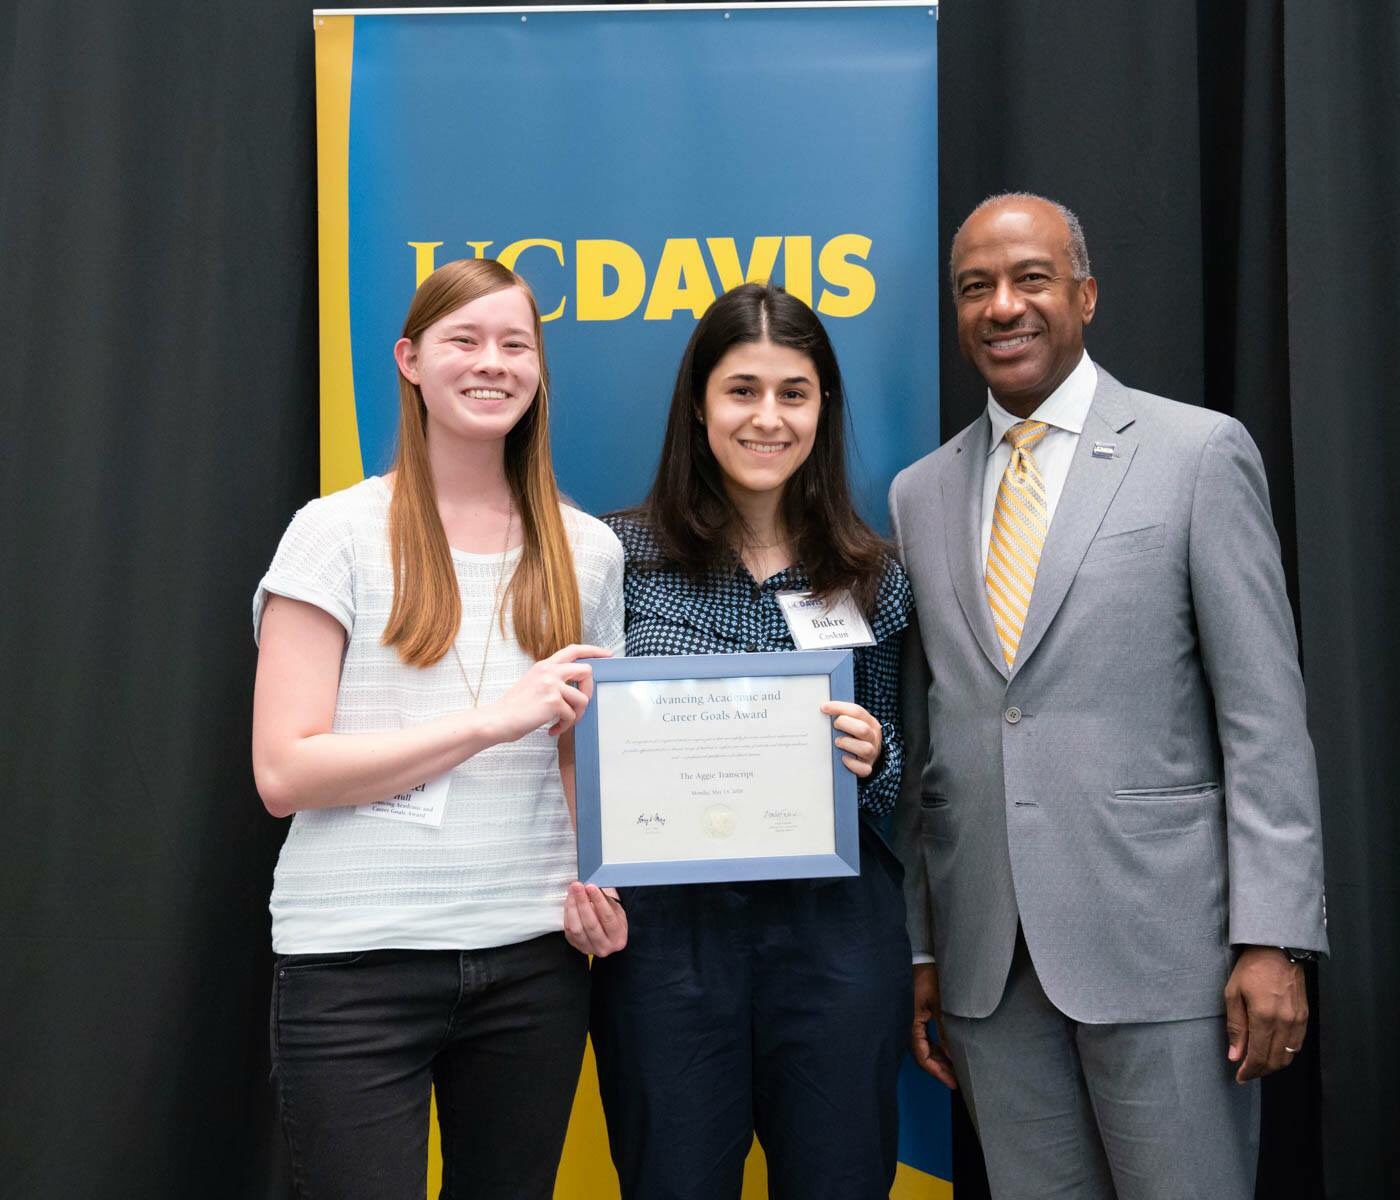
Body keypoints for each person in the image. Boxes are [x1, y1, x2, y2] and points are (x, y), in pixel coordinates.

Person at [890, 193, 1328, 1199]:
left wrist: (1274, 936)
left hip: (1166, 955)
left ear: (1083, 295)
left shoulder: (1196, 455)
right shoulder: (919, 493)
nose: (1003, 306)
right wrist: (924, 942)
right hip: (989, 971)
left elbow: (1264, 718)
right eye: (975, 288)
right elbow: (935, 737)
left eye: (1030, 279)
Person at [251, 258, 628, 1199]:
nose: (490, 363)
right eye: (464, 340)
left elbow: (590, 752)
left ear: (539, 368)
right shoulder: (332, 533)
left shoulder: (588, 550)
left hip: (535, 962)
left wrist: (608, 874)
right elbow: (284, 770)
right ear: (411, 360)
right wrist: (491, 721)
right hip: (354, 964)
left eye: (515, 343)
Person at [589, 283, 914, 1200]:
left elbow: (898, 788)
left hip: (836, 933)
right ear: (699, 404)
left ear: (823, 409)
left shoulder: (877, 575)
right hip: (667, 942)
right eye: (742, 390)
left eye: (794, 393)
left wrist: (872, 754)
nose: (767, 418)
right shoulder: (616, 558)